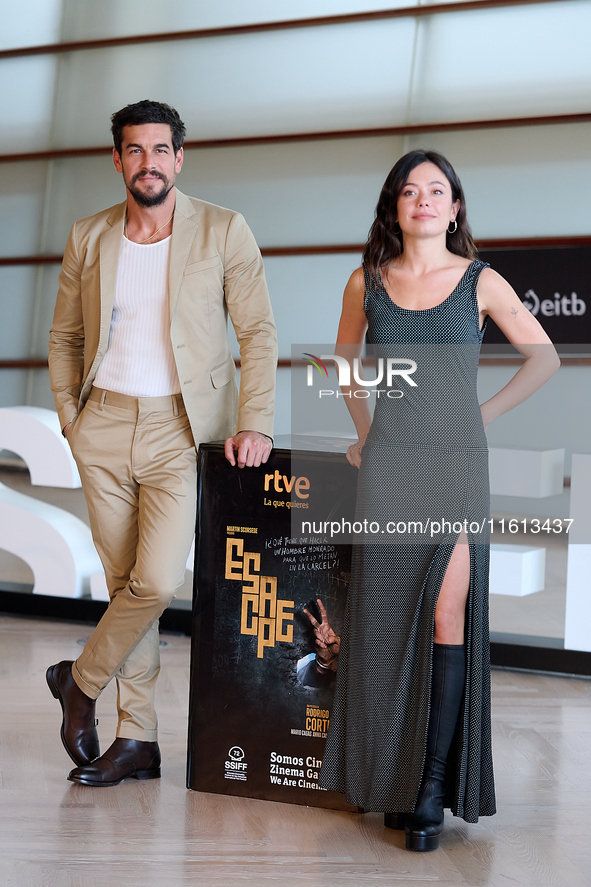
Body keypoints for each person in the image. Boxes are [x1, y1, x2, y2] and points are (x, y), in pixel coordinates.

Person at [318, 150, 560, 850]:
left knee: (446, 610)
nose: (422, 199)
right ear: (393, 206)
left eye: (436, 189)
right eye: (408, 190)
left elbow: (540, 355)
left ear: (453, 207)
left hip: (456, 466)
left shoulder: (480, 280)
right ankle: (392, 783)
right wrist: (366, 431)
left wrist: (477, 416)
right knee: (386, 622)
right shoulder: (364, 281)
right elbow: (342, 364)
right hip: (391, 467)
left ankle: (428, 788)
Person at [46, 100, 277, 787]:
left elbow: (258, 332)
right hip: (103, 425)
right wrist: (71, 420)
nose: (148, 162)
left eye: (159, 149)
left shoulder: (223, 230)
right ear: (117, 160)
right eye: (134, 150)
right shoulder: (89, 235)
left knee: (154, 580)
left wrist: (255, 418)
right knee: (124, 585)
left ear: (180, 157)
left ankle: (79, 682)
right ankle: (136, 738)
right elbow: (64, 338)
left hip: (183, 430)